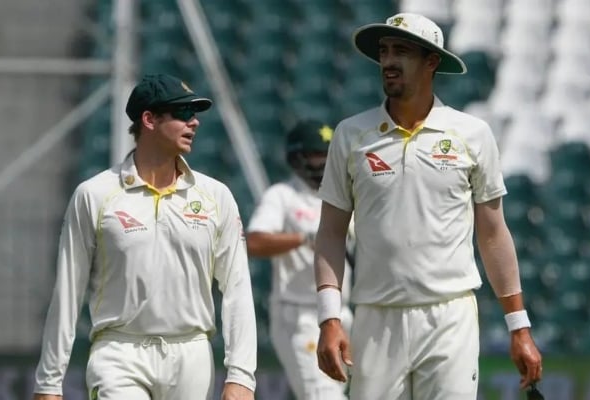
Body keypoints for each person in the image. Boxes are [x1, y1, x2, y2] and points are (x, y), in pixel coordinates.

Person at [312, 13, 543, 400]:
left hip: (450, 316)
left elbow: (493, 233)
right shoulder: (351, 134)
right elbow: (331, 232)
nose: (387, 61)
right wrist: (328, 317)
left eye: (401, 51)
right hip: (376, 315)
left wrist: (518, 327)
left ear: (432, 61)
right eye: (384, 51)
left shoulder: (473, 134)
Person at [32, 73, 257, 400]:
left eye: (194, 114)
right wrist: (49, 383)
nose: (194, 122)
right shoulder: (94, 194)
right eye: (182, 113)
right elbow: (68, 290)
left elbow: (237, 287)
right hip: (119, 352)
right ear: (149, 119)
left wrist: (241, 376)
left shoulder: (216, 196)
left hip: (192, 354)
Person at [245, 120, 354, 400]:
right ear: (298, 158)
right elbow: (254, 241)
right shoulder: (282, 196)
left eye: (330, 155)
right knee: (323, 395)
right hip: (299, 315)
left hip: (342, 313)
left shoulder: (345, 195)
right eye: (319, 155)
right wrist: (304, 238)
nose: (325, 163)